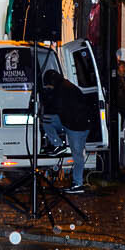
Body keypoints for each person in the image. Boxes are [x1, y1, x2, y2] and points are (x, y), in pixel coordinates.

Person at [40, 63, 98, 192]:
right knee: (79, 155)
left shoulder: (60, 90)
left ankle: (78, 184)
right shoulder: (68, 86)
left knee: (77, 156)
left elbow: (56, 107)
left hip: (75, 126)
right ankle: (77, 182)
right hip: (82, 124)